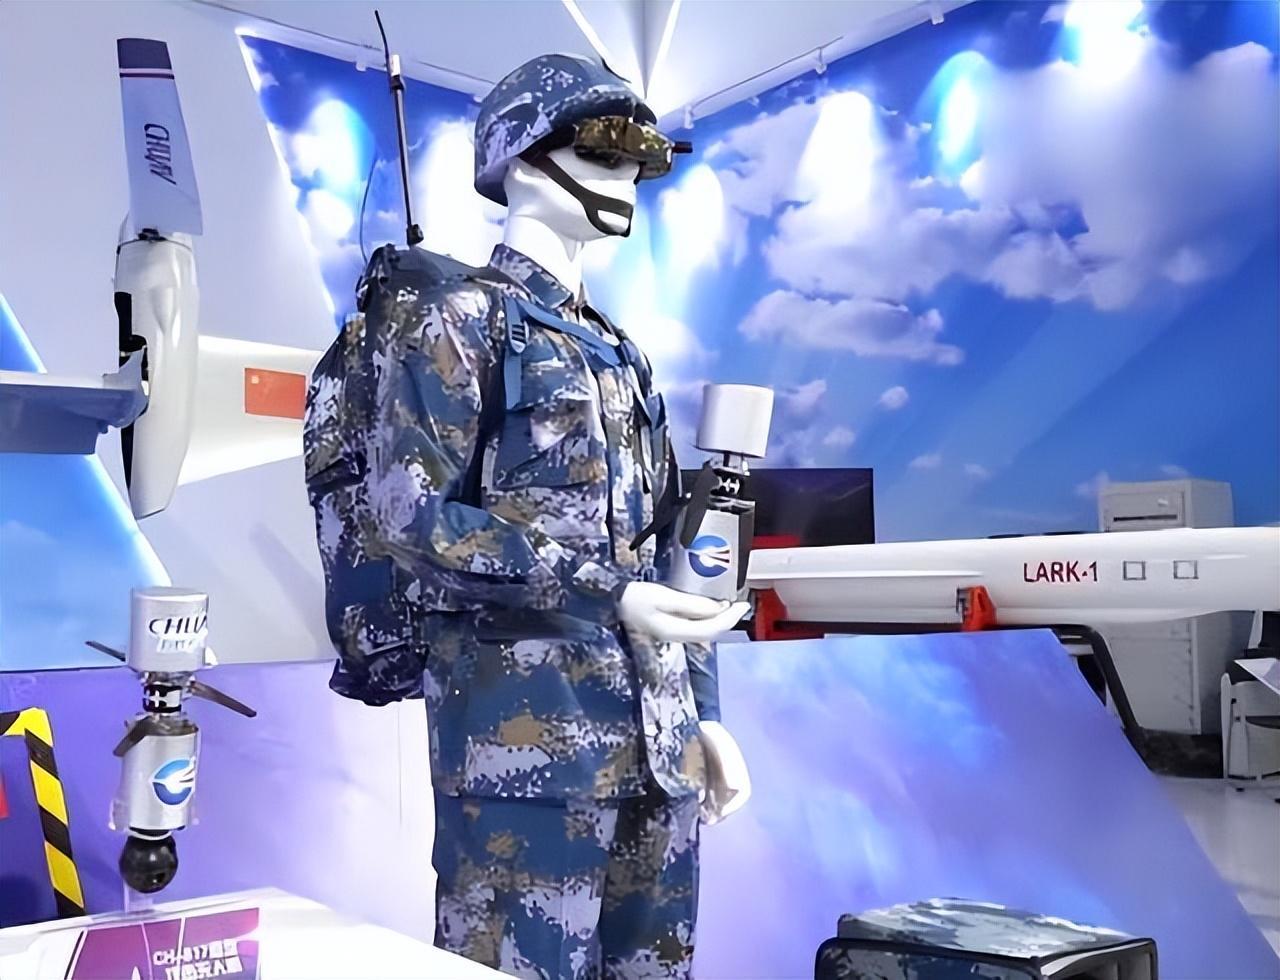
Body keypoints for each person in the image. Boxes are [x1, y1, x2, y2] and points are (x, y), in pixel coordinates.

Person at [305, 53, 749, 979]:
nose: (625, 178)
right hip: (524, 763)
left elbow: (667, 549)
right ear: (518, 160)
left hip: (658, 757)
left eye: (640, 160)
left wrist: (705, 714)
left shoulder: (620, 353)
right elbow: (412, 517)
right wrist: (604, 592)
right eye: (601, 151)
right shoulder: (459, 322)